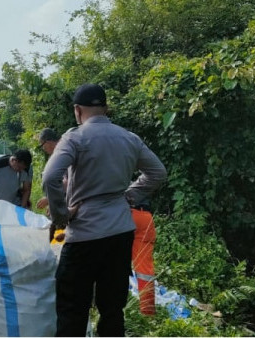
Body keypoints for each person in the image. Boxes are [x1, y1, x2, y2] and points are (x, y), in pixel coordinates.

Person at [43, 84, 167, 336]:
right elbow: (158, 173)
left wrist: (61, 216)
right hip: (120, 233)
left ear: (77, 110)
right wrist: (129, 195)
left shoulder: (74, 138)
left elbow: (50, 177)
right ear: (105, 108)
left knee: (72, 309)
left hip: (84, 236)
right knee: (112, 309)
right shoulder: (128, 137)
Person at [127, 198, 157, 315]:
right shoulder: (140, 184)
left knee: (114, 262)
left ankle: (109, 308)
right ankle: (147, 312)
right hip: (144, 217)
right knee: (145, 271)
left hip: (123, 216)